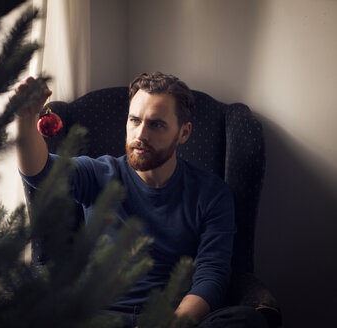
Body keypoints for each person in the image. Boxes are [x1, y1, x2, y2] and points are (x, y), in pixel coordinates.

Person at [14, 72, 268, 328]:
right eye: (134, 120)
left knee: (246, 320)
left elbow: (212, 273)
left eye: (156, 124)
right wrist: (25, 120)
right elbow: (41, 173)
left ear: (184, 133)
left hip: (172, 317)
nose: (140, 134)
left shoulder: (212, 193)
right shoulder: (98, 174)